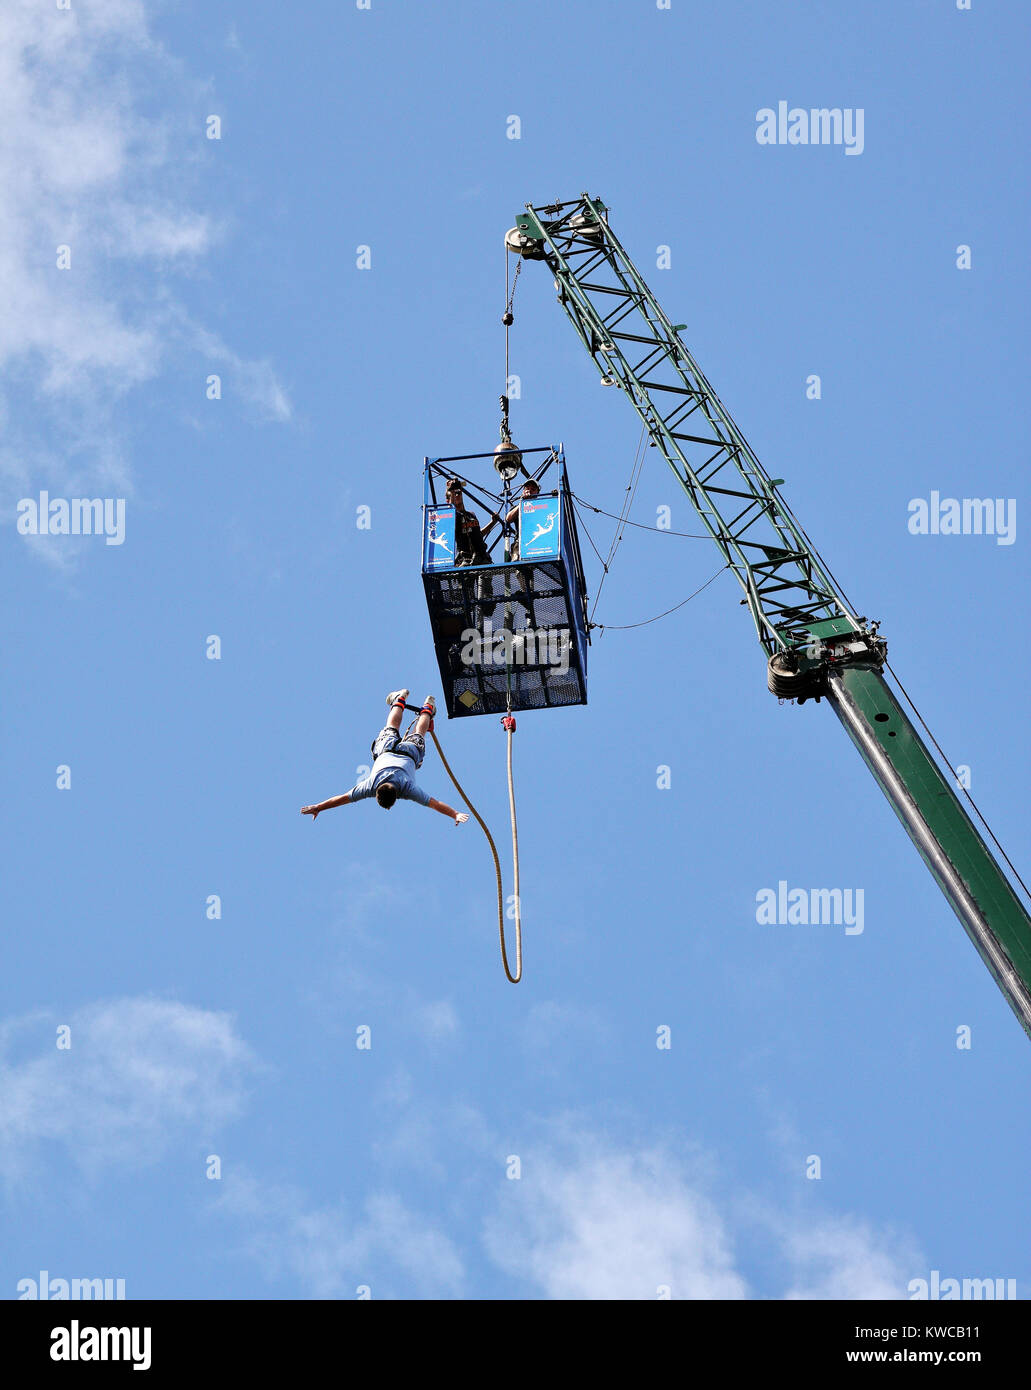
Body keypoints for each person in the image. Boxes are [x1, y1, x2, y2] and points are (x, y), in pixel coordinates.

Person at [301, 689, 469, 825]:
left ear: (397, 797)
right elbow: (343, 798)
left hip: (409, 753)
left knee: (419, 733)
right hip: (385, 750)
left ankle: (428, 708)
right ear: (377, 794)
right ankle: (400, 698)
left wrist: (455, 814)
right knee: (392, 726)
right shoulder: (370, 786)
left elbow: (434, 803)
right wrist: (319, 807)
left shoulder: (407, 790)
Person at [445, 478, 498, 567]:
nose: (457, 495)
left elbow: (478, 534)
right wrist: (451, 488)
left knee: (484, 579)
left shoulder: (471, 515)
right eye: (454, 494)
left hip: (481, 557)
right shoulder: (452, 516)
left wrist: (492, 522)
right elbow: (451, 508)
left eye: (459, 493)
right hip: (466, 559)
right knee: (467, 580)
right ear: (448, 500)